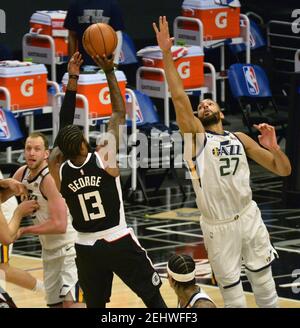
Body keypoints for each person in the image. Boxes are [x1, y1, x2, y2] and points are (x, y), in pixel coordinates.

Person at [153, 16, 292, 308]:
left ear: (220, 109)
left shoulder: (240, 137)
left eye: (209, 103)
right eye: (200, 105)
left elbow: (283, 170)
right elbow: (179, 98)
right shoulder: (196, 139)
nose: (203, 104)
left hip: (249, 215)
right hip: (218, 224)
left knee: (265, 287)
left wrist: (274, 148)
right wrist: (167, 55)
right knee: (232, 295)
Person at [48, 53, 167, 308]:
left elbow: (63, 128)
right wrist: (110, 71)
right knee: (152, 297)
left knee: (96, 307)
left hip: (85, 246)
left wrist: (73, 79)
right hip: (117, 239)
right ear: (82, 142)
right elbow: (118, 112)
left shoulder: (57, 168)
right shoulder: (104, 158)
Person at [12, 132, 83, 308]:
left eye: (37, 149)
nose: (31, 153)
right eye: (28, 148)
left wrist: (23, 230)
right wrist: (8, 184)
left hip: (70, 250)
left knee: (71, 305)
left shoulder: (49, 179)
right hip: (49, 251)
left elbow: (60, 225)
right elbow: (2, 195)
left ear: (46, 153)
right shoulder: (22, 173)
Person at [0, 169, 44, 295]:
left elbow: (6, 237)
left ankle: (47, 291)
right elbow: (6, 237)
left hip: (5, 211)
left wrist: (4, 183)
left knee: (2, 269)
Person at [64, 0, 125, 65]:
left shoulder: (112, 4)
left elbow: (117, 33)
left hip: (107, 63)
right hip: (82, 62)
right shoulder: (75, 4)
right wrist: (72, 62)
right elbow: (72, 35)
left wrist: (115, 62)